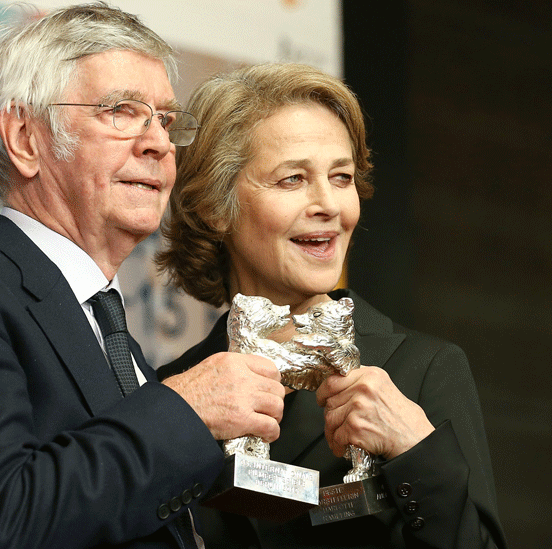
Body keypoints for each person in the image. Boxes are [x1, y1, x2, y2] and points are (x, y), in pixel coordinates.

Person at [0, 5, 286, 548]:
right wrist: (186, 410)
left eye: (166, 120)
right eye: (122, 111)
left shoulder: (115, 337)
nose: (159, 145)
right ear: (26, 138)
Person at [156, 62, 507, 548]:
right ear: (217, 206)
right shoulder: (171, 392)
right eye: (292, 179)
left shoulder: (423, 369)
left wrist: (415, 452)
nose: (329, 204)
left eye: (341, 177)